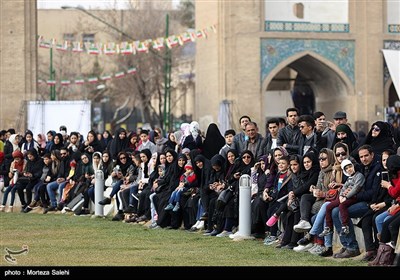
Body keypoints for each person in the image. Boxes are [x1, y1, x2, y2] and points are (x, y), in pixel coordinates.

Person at [320, 159, 365, 237]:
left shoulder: (359, 176)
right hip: (345, 197)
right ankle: (328, 227)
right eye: (346, 168)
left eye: (350, 167)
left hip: (354, 197)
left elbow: (356, 188)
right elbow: (344, 187)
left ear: (353, 166)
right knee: (328, 206)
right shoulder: (349, 178)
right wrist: (341, 196)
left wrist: (346, 196)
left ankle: (345, 226)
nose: (349, 169)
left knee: (342, 206)